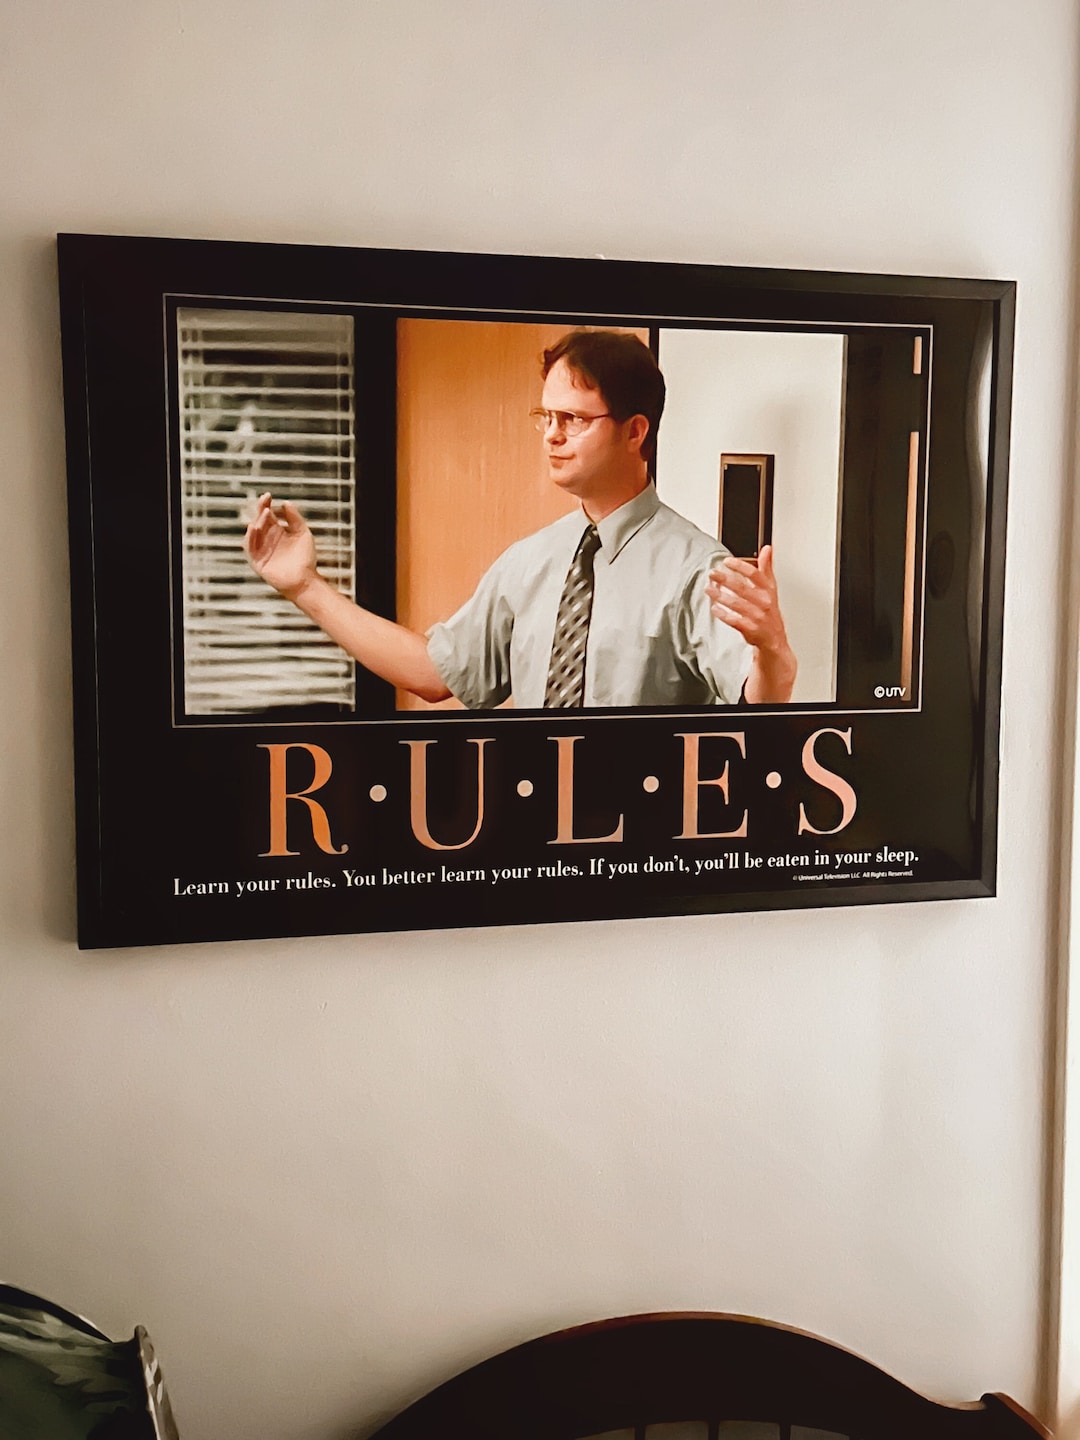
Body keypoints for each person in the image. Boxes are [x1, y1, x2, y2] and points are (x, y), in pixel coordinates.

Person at [244, 330, 797, 708]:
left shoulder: (698, 569)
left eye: (573, 419)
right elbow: (435, 674)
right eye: (546, 417)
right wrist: (305, 587)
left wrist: (772, 651)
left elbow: (758, 704)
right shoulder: (530, 561)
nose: (552, 435)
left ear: (635, 431)